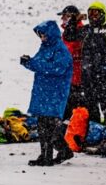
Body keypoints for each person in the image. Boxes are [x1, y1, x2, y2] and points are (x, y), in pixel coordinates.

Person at [20, 21, 72, 167]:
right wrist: (28, 62)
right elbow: (39, 65)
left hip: (54, 94)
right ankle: (46, 155)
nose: (42, 38)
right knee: (43, 126)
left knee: (49, 126)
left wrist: (34, 64)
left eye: (44, 35)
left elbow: (58, 69)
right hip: (43, 93)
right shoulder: (45, 47)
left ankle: (56, 153)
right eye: (40, 35)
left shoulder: (61, 50)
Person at [79, 2, 106, 130]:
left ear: (102, 14)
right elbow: (69, 36)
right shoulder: (85, 30)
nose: (93, 16)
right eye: (90, 12)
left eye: (96, 12)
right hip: (87, 75)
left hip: (104, 75)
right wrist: (75, 20)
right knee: (90, 105)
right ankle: (95, 133)